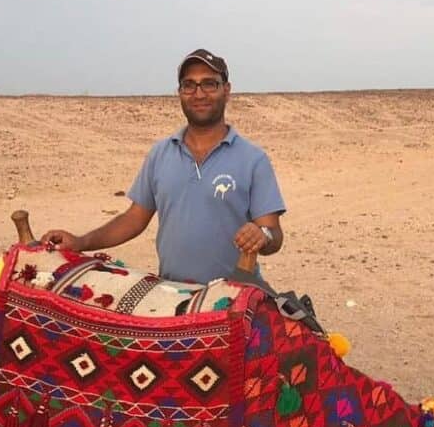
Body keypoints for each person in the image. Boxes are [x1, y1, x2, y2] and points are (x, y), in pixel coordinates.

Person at [40, 49, 286, 285]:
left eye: (209, 84)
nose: (199, 94)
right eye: (189, 85)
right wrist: (81, 242)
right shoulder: (161, 154)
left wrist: (262, 235)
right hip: (173, 298)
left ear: (227, 90)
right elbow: (133, 219)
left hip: (234, 298)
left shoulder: (253, 159)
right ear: (180, 93)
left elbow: (274, 235)